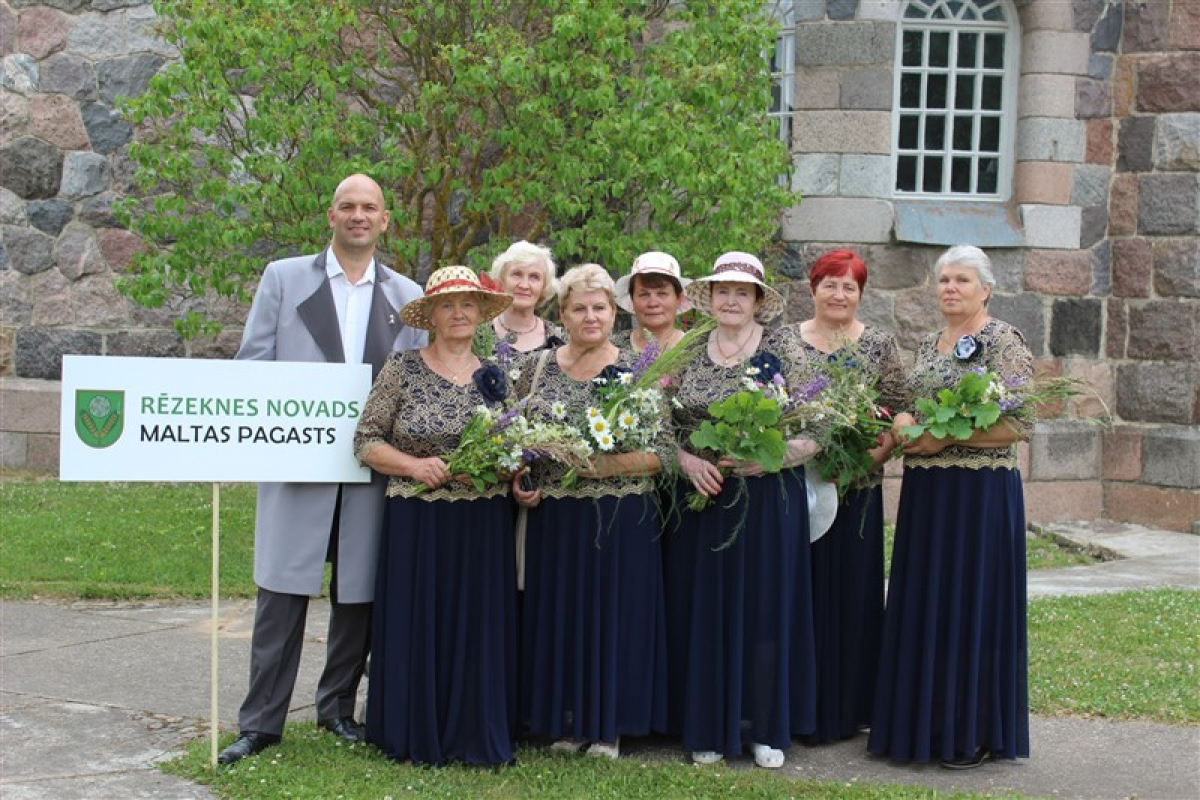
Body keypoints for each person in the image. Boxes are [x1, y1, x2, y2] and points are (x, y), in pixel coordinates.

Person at [219, 174, 427, 765]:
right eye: (348, 207)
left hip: (371, 466)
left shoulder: (405, 293)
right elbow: (253, 362)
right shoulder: (284, 278)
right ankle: (261, 723)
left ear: (385, 220)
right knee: (281, 594)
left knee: (358, 596)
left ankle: (337, 708)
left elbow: (411, 383)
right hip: (297, 463)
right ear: (330, 216)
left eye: (370, 208)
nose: (358, 216)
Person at [870, 244, 1032, 769]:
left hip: (980, 497)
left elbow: (1019, 422)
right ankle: (920, 725)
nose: (950, 288)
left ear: (986, 289)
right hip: (928, 498)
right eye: (943, 280)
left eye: (962, 280)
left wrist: (943, 441)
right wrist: (902, 423)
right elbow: (913, 406)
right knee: (926, 603)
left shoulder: (1002, 341)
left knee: (973, 606)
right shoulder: (930, 343)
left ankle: (973, 730)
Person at [354, 266, 519, 766]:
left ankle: (474, 730)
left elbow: (513, 445)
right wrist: (415, 466)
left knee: (477, 626)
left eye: (468, 303)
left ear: (480, 312)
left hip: (481, 522)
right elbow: (366, 442)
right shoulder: (401, 367)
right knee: (418, 623)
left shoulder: (495, 375)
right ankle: (413, 729)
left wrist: (496, 469)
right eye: (447, 305)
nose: (459, 313)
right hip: (417, 521)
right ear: (430, 315)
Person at [665, 251, 821, 769]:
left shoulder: (787, 351)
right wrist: (685, 460)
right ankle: (707, 726)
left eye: (742, 292)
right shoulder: (685, 351)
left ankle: (765, 728)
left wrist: (773, 458)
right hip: (701, 501)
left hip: (767, 500)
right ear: (709, 298)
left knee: (765, 611)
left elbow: (820, 427)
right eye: (722, 291)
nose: (731, 300)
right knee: (702, 610)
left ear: (758, 301)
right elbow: (656, 425)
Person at [511, 263, 668, 760]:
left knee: (614, 617)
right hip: (556, 518)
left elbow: (662, 452)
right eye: (579, 307)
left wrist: (600, 465)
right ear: (562, 313)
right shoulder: (538, 368)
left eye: (599, 307)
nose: (590, 316)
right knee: (561, 615)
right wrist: (522, 481)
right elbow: (517, 442)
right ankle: (566, 719)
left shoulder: (637, 368)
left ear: (614, 312)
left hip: (621, 515)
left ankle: (609, 727)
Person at [791, 249, 908, 744]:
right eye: (830, 284)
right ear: (812, 287)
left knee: (852, 598)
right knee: (798, 597)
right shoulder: (784, 342)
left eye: (850, 287)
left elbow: (899, 413)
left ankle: (849, 709)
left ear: (861, 294)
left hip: (856, 490)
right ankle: (795, 706)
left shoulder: (879, 344)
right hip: (796, 490)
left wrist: (859, 463)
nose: (839, 295)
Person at [488, 240, 564, 351]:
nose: (524, 285)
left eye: (534, 277)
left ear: (544, 286)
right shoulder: (477, 337)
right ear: (501, 280)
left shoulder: (560, 340)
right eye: (517, 274)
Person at [612, 251, 692, 352]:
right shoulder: (612, 349)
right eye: (644, 294)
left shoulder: (696, 351)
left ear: (679, 298)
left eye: (662, 294)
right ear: (632, 299)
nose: (653, 303)